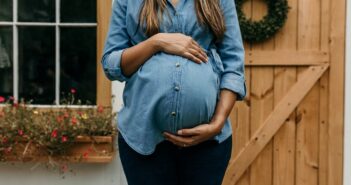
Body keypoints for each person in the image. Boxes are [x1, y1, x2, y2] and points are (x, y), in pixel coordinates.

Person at [101, 0, 246, 184]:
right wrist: (156, 42)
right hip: (142, 139)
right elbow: (111, 64)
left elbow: (233, 64)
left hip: (207, 143)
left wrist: (217, 123)